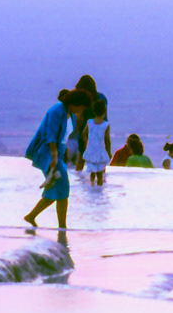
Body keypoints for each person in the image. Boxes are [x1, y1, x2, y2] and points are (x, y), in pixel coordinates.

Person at [23, 88, 91, 228]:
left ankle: (33, 216)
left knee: (58, 189)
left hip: (58, 152)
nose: (81, 111)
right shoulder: (56, 111)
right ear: (75, 103)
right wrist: (54, 157)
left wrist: (64, 150)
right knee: (62, 188)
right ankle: (61, 226)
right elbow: (51, 136)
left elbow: (64, 136)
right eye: (81, 107)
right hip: (48, 152)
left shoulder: (69, 114)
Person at [71, 75, 108, 171]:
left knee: (80, 163)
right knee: (100, 165)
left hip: (85, 135)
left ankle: (79, 184)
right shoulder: (102, 98)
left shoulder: (82, 101)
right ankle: (101, 184)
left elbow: (79, 124)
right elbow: (105, 118)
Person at [83, 100, 112, 186]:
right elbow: (107, 140)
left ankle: (92, 188)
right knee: (100, 174)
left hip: (91, 150)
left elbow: (83, 134)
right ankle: (99, 190)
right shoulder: (106, 124)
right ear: (105, 111)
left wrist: (87, 143)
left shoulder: (89, 122)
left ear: (94, 111)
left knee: (92, 172)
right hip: (100, 151)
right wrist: (109, 152)